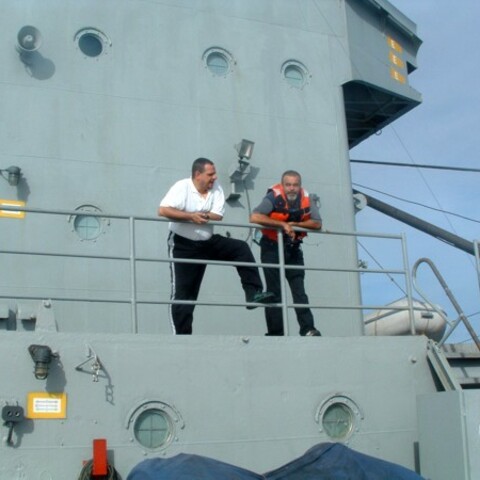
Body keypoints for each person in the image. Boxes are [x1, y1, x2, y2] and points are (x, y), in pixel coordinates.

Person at [158, 157, 273, 334]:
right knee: (184, 293)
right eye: (210, 174)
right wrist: (191, 217)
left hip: (207, 242)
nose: (215, 177)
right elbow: (163, 210)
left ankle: (253, 293)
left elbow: (217, 215)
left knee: (240, 248)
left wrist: (200, 215)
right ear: (198, 174)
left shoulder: (216, 187)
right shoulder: (182, 187)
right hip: (183, 246)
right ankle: (181, 337)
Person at [250, 170, 322, 336]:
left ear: (300, 186)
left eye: (295, 185)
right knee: (273, 291)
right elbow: (254, 217)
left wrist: (294, 224)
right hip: (271, 248)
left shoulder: (307, 198)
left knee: (299, 291)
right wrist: (282, 225)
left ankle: (308, 329)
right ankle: (276, 333)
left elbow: (317, 223)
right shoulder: (273, 197)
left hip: (293, 249)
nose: (291, 188)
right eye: (288, 185)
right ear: (282, 186)